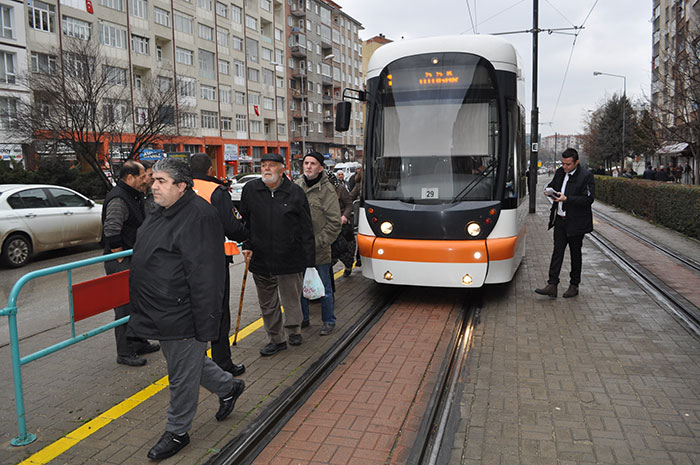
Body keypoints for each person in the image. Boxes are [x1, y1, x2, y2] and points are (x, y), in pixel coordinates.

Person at [128, 158, 245, 460]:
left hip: (183, 312)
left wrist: (206, 325)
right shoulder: (160, 210)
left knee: (180, 375)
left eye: (161, 181)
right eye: (153, 179)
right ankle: (229, 387)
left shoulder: (199, 216)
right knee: (189, 363)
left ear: (181, 186)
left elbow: (207, 276)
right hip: (160, 309)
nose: (153, 186)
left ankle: (177, 431)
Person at [239, 153, 315, 356]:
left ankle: (293, 330)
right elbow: (244, 221)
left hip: (289, 257)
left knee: (291, 297)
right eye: (263, 165)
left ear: (282, 169)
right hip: (261, 257)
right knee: (267, 303)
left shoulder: (295, 193)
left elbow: (306, 228)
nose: (266, 169)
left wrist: (309, 260)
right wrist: (246, 244)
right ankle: (276, 338)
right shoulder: (251, 190)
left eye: (271, 165)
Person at [190, 154, 248, 377]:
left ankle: (197, 361)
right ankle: (222, 362)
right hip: (212, 260)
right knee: (218, 312)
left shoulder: (179, 187)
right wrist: (246, 231)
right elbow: (231, 226)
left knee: (192, 311)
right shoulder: (217, 191)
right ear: (210, 169)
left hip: (185, 260)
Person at [102, 160, 159, 367]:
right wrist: (120, 257)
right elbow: (112, 231)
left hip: (135, 259)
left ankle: (139, 341)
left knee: (138, 304)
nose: (147, 180)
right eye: (143, 176)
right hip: (122, 261)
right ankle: (125, 351)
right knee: (124, 308)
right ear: (130, 177)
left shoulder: (134, 195)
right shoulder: (119, 198)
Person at [535, 148, 594, 299]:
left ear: (576, 162)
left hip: (576, 222)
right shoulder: (560, 172)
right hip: (560, 220)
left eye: (568, 164)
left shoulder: (586, 176)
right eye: (563, 163)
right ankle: (552, 284)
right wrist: (549, 191)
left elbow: (588, 200)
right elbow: (553, 184)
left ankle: (574, 285)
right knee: (557, 252)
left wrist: (567, 199)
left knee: (575, 254)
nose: (565, 167)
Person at [296, 153, 342, 335]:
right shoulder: (296, 186)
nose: (308, 167)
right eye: (306, 163)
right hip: (299, 249)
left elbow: (334, 223)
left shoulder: (327, 190)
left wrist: (318, 242)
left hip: (319, 249)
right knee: (299, 287)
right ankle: (303, 318)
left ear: (320, 168)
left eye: (313, 164)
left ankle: (328, 321)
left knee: (324, 288)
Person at [329, 171, 355, 277]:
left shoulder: (341, 189)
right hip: (328, 225)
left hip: (342, 225)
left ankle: (348, 266)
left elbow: (349, 205)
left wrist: (344, 216)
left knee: (346, 248)